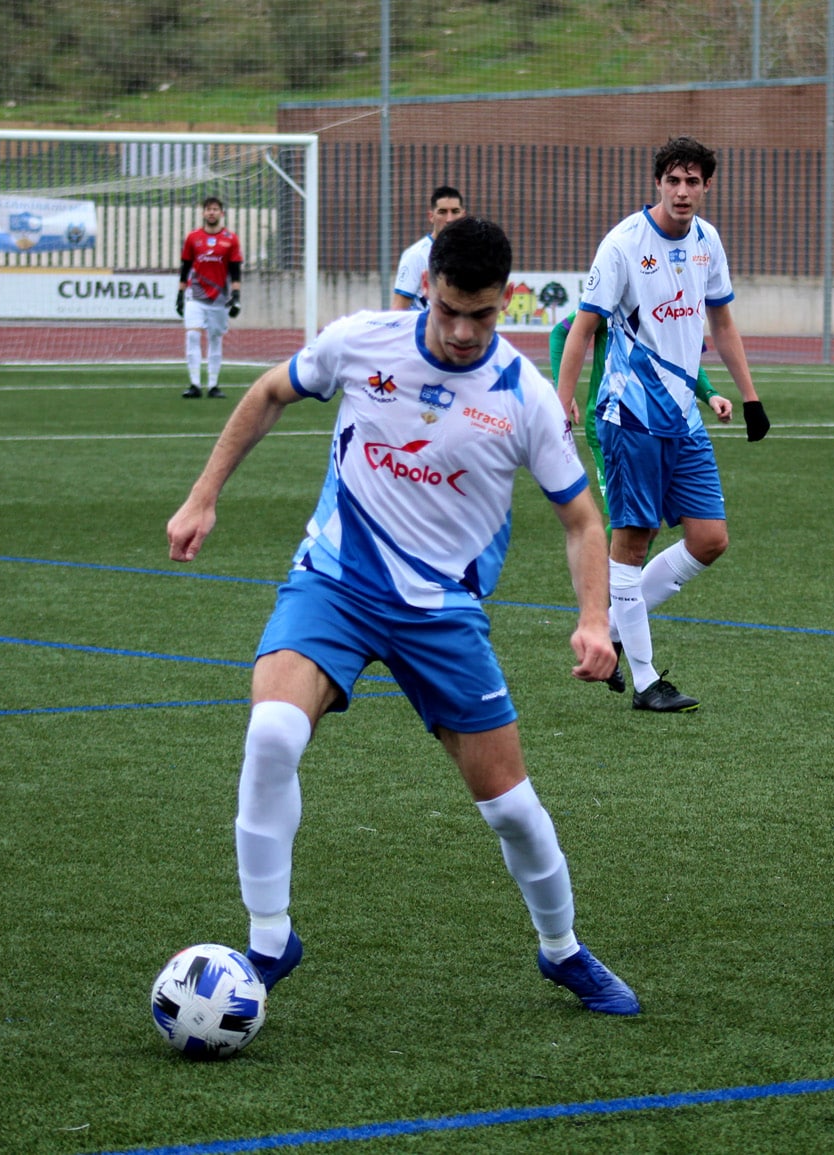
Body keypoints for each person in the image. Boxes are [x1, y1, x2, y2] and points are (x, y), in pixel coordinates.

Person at [166, 216, 639, 1016]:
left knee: (512, 809)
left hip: (444, 614)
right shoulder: (361, 341)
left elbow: (583, 520)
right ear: (427, 286)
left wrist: (596, 619)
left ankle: (562, 950)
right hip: (336, 585)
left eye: (482, 315)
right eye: (449, 308)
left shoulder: (524, 397)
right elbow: (269, 392)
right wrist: (203, 493)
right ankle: (270, 937)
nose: (461, 331)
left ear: (506, 304)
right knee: (272, 732)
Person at [556, 136, 769, 713]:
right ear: (658, 183)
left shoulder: (708, 242)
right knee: (632, 540)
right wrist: (562, 400)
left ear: (706, 186)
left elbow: (721, 323)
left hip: (682, 418)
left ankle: (619, 629)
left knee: (710, 539)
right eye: (673, 180)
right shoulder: (624, 245)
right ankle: (647, 681)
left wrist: (748, 397)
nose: (682, 191)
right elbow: (581, 329)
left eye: (692, 181)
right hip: (630, 417)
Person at [547, 312, 731, 693]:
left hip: (672, 422)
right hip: (619, 419)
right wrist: (561, 397)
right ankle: (613, 642)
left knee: (685, 536)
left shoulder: (685, 286)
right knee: (628, 530)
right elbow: (563, 333)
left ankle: (613, 628)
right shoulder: (621, 286)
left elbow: (680, 363)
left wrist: (709, 392)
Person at [176, 195, 242, 399]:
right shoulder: (193, 238)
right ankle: (195, 384)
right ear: (203, 213)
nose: (211, 212)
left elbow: (235, 269)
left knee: (215, 338)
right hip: (195, 295)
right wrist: (180, 294)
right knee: (193, 335)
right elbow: (185, 266)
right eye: (208, 209)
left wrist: (236, 295)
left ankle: (213, 385)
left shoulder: (230, 239)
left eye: (215, 209)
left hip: (219, 298)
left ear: (221, 213)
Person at [390, 185, 466, 311]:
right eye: (442, 212)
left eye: (455, 211)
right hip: (425, 330)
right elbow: (398, 309)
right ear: (431, 217)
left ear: (463, 215)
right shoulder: (416, 255)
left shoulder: (471, 252)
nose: (449, 219)